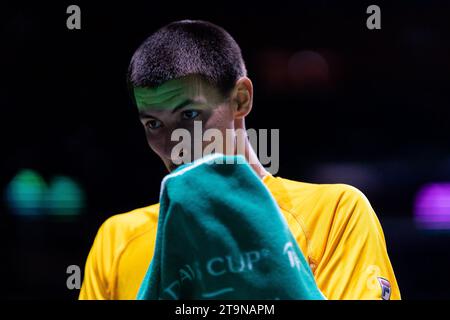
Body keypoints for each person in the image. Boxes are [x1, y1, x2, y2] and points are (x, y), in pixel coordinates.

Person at [79, 20, 400, 300]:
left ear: (240, 99)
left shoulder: (337, 213)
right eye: (153, 124)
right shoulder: (116, 239)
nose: (172, 145)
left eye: (190, 114)